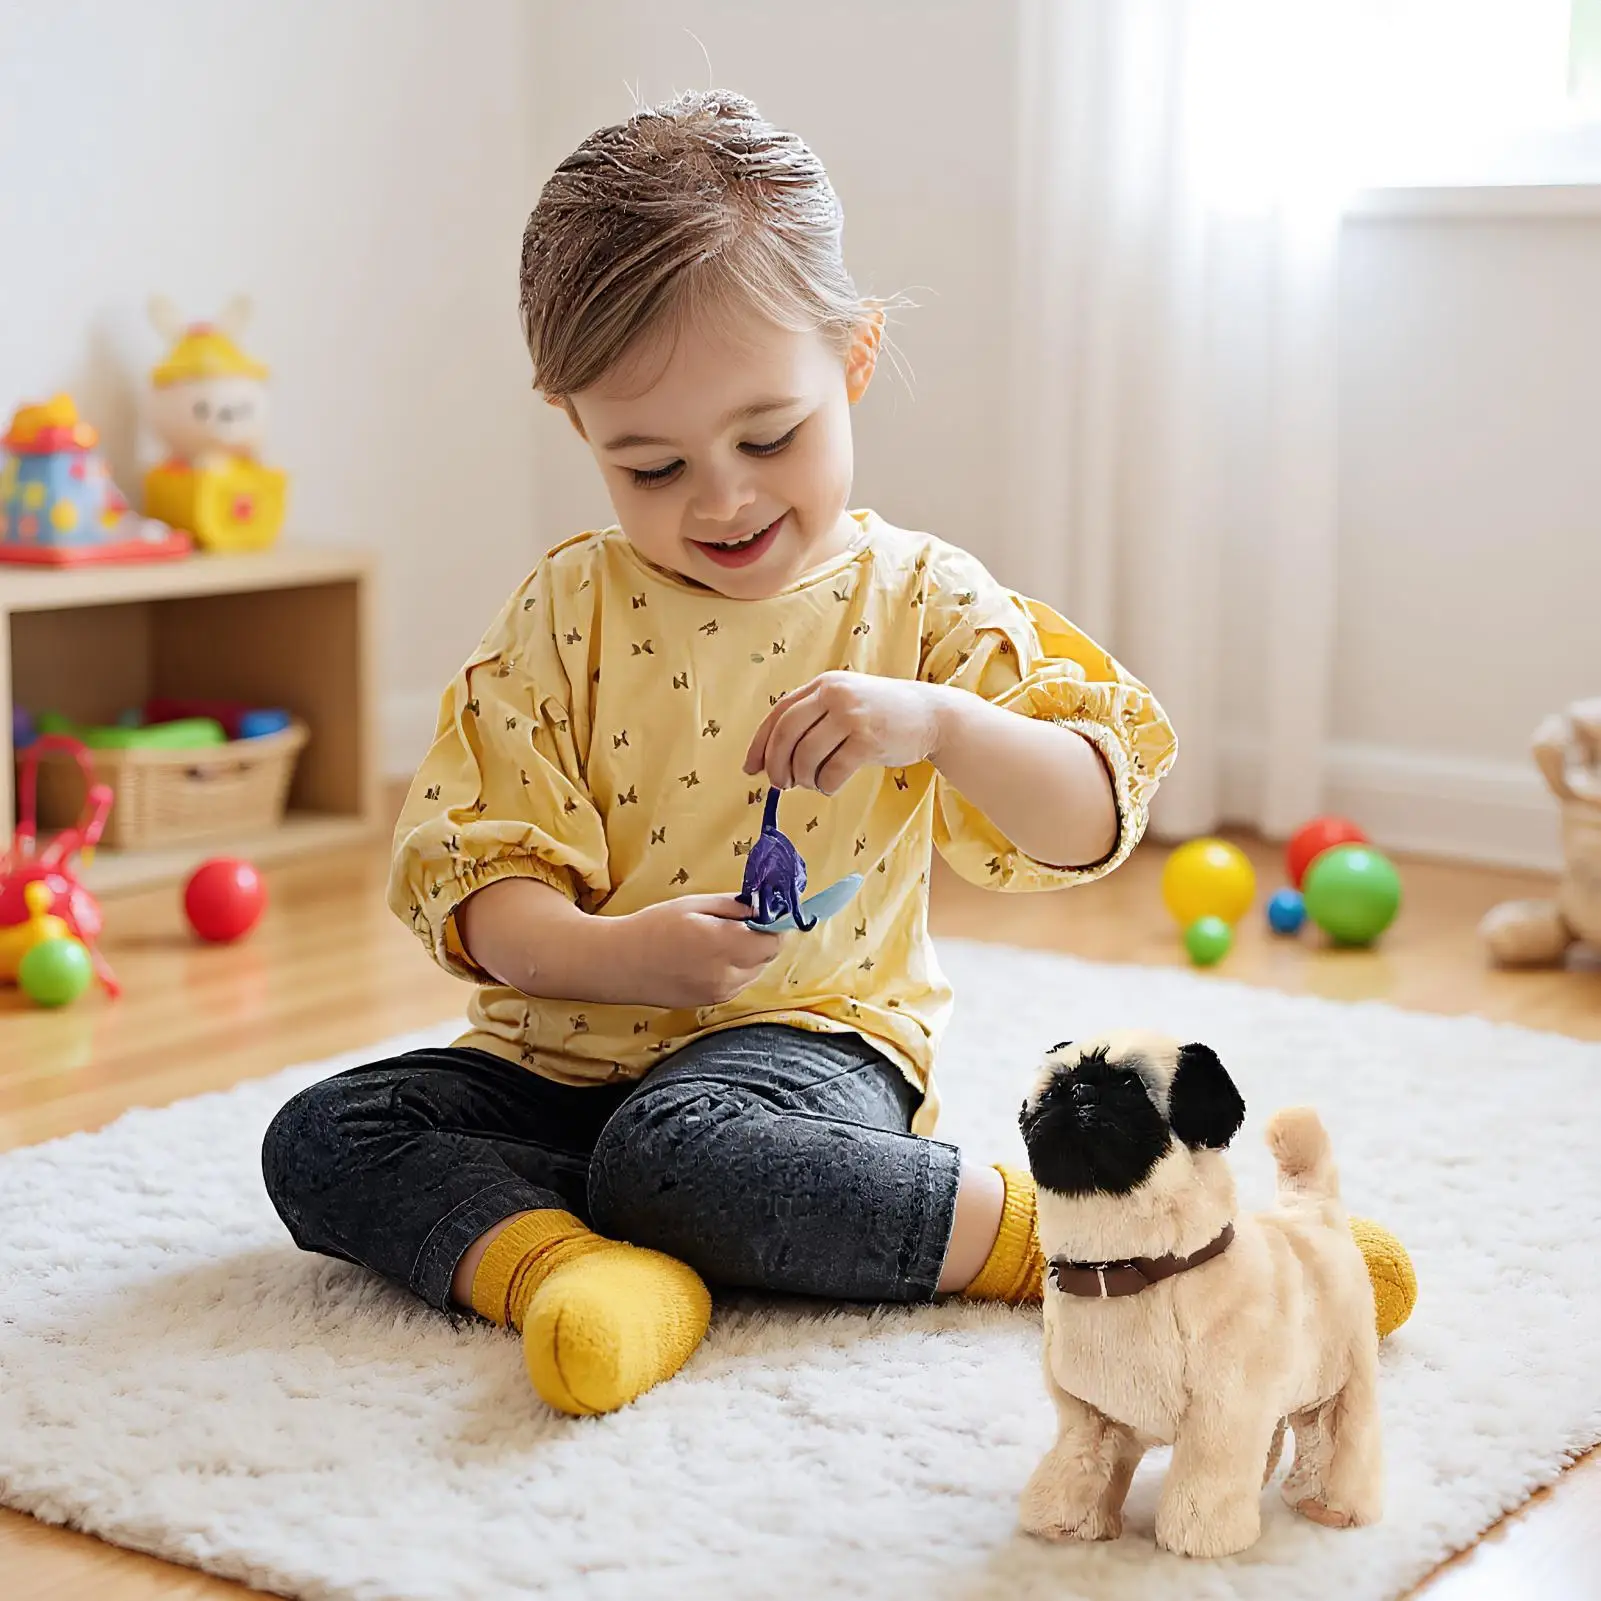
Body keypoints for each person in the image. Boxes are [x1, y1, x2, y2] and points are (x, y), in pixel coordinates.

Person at [261, 90, 1177, 1418]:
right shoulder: (563, 615)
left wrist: (942, 724)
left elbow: (1088, 816)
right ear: (578, 427)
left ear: (855, 359)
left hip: (803, 1058)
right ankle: (579, 1269)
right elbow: (484, 883)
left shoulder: (922, 601)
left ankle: (1082, 1240)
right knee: (325, 1139)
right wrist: (615, 958)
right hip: (561, 1068)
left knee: (683, 1153)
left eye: (769, 437)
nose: (725, 498)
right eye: (651, 466)